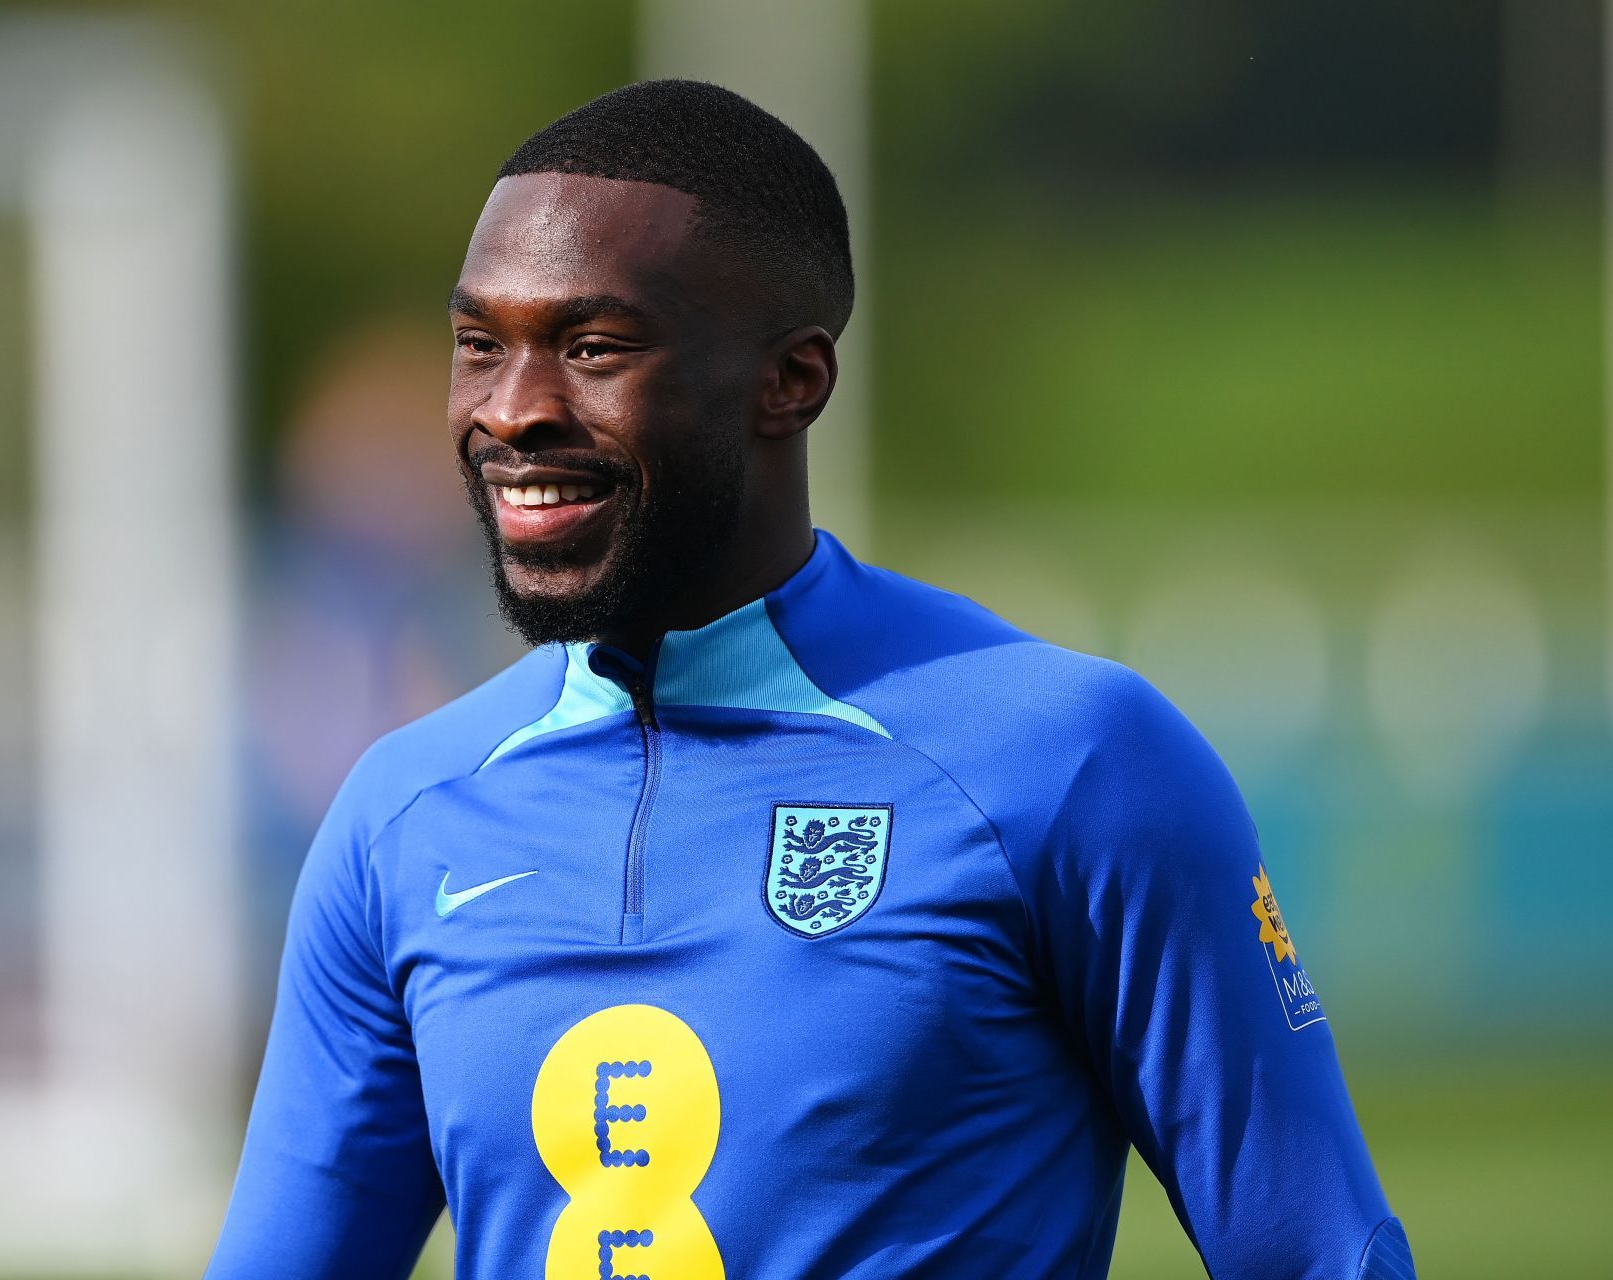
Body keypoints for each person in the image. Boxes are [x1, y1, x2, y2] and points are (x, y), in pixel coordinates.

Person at [205, 80, 1413, 1280]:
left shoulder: (1070, 759)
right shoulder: (401, 817)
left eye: (594, 347)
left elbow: (1322, 1253)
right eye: (482, 345)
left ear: (793, 380)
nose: (513, 410)